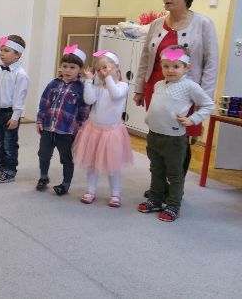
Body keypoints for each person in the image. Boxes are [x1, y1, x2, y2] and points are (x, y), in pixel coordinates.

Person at [133, 0, 219, 187]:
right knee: (158, 137)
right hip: (157, 88)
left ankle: (174, 189)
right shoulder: (156, 25)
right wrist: (139, 88)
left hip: (187, 93)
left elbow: (211, 63)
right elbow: (145, 58)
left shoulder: (203, 24)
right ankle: (159, 186)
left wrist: (203, 98)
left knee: (180, 140)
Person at [137, 45, 214, 222]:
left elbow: (208, 105)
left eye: (176, 66)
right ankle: (156, 199)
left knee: (174, 174)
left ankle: (173, 205)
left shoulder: (189, 86)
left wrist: (192, 119)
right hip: (154, 135)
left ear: (186, 67)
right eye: (166, 66)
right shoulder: (159, 84)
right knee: (156, 169)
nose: (170, 70)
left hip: (174, 139)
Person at [72, 51, 133, 207]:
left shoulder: (123, 86)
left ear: (116, 67)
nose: (101, 72)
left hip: (112, 133)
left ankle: (115, 194)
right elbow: (89, 100)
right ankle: (91, 191)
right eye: (98, 70)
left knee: (113, 166)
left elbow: (115, 95)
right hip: (93, 131)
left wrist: (108, 78)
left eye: (105, 67)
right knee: (92, 164)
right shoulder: (98, 87)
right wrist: (88, 81)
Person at [35, 44, 91, 196]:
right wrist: (40, 120)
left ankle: (65, 184)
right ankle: (43, 177)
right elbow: (44, 102)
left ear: (80, 69)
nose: (67, 70)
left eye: (72, 67)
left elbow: (83, 110)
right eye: (65, 66)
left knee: (66, 158)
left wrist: (81, 129)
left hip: (66, 131)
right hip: (48, 128)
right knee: (43, 154)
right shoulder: (53, 84)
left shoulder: (81, 88)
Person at [0, 35, 29, 183]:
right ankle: (1, 164)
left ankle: (10, 170)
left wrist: (15, 117)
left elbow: (20, 98)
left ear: (18, 54)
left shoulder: (20, 75)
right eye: (1, 50)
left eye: (6, 50)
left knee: (10, 144)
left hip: (10, 114)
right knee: (0, 142)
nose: (2, 53)